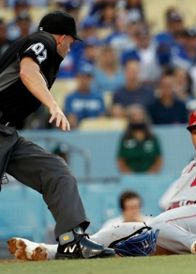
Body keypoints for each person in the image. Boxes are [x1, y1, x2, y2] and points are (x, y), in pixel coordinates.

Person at [10, 85, 196, 259]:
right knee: (110, 233)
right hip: (171, 225)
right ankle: (47, 250)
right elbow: (167, 208)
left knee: (157, 223)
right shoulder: (189, 167)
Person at [0, 11, 114, 259]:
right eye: (72, 41)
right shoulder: (44, 42)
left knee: (55, 171)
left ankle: (72, 242)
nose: (71, 47)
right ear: (62, 38)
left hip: (7, 132)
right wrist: (53, 105)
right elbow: (28, 72)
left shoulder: (40, 45)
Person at [117, 105, 163, 173]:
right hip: (130, 177)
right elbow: (120, 160)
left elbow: (159, 159)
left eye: (140, 116)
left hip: (150, 177)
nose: (137, 118)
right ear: (130, 119)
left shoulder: (152, 138)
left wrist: (150, 173)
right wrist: (129, 174)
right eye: (134, 116)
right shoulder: (125, 138)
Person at [64, 63, 106, 128]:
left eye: (88, 77)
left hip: (95, 131)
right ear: (78, 77)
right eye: (82, 76)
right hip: (76, 132)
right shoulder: (70, 98)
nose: (85, 80)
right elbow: (70, 119)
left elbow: (102, 119)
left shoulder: (98, 97)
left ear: (92, 79)